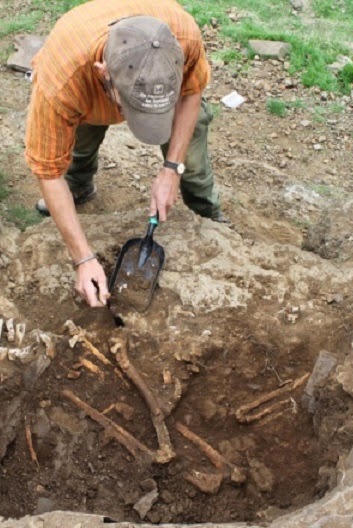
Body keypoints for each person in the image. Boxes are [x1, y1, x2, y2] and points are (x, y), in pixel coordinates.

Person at [24, 0, 226, 308]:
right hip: (84, 92)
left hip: (138, 90)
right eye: (128, 108)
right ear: (103, 73)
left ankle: (208, 216)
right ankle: (79, 186)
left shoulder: (183, 36)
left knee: (193, 165)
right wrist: (84, 259)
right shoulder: (62, 81)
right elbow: (47, 171)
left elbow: (192, 91)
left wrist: (172, 168)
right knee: (79, 146)